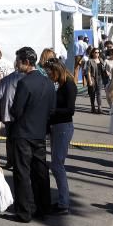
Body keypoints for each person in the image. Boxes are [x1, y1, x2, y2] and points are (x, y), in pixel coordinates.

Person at [7, 47, 55, 223]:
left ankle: (25, 210)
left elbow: (16, 110)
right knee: (40, 170)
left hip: (23, 133)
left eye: (19, 61)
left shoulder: (25, 83)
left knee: (22, 172)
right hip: (40, 132)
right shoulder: (48, 82)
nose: (17, 64)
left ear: (26, 62)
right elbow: (52, 109)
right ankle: (44, 206)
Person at [44, 58, 75, 213]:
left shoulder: (69, 85)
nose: (51, 77)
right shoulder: (62, 85)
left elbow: (70, 110)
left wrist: (52, 110)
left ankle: (64, 202)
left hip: (63, 126)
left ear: (58, 71)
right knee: (56, 164)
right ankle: (63, 200)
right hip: (57, 126)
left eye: (52, 73)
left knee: (57, 165)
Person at [0, 63, 25, 170]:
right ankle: (20, 162)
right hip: (23, 115)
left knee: (10, 139)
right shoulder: (27, 78)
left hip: (8, 114)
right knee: (22, 139)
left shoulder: (7, 79)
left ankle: (10, 161)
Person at [83, 47, 104, 114]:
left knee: (99, 93)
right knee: (92, 93)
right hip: (92, 78)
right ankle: (93, 107)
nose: (97, 54)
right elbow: (88, 71)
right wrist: (90, 80)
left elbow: (103, 69)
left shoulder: (101, 60)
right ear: (92, 53)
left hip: (100, 78)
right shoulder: (90, 61)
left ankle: (99, 108)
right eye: (95, 52)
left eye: (98, 52)